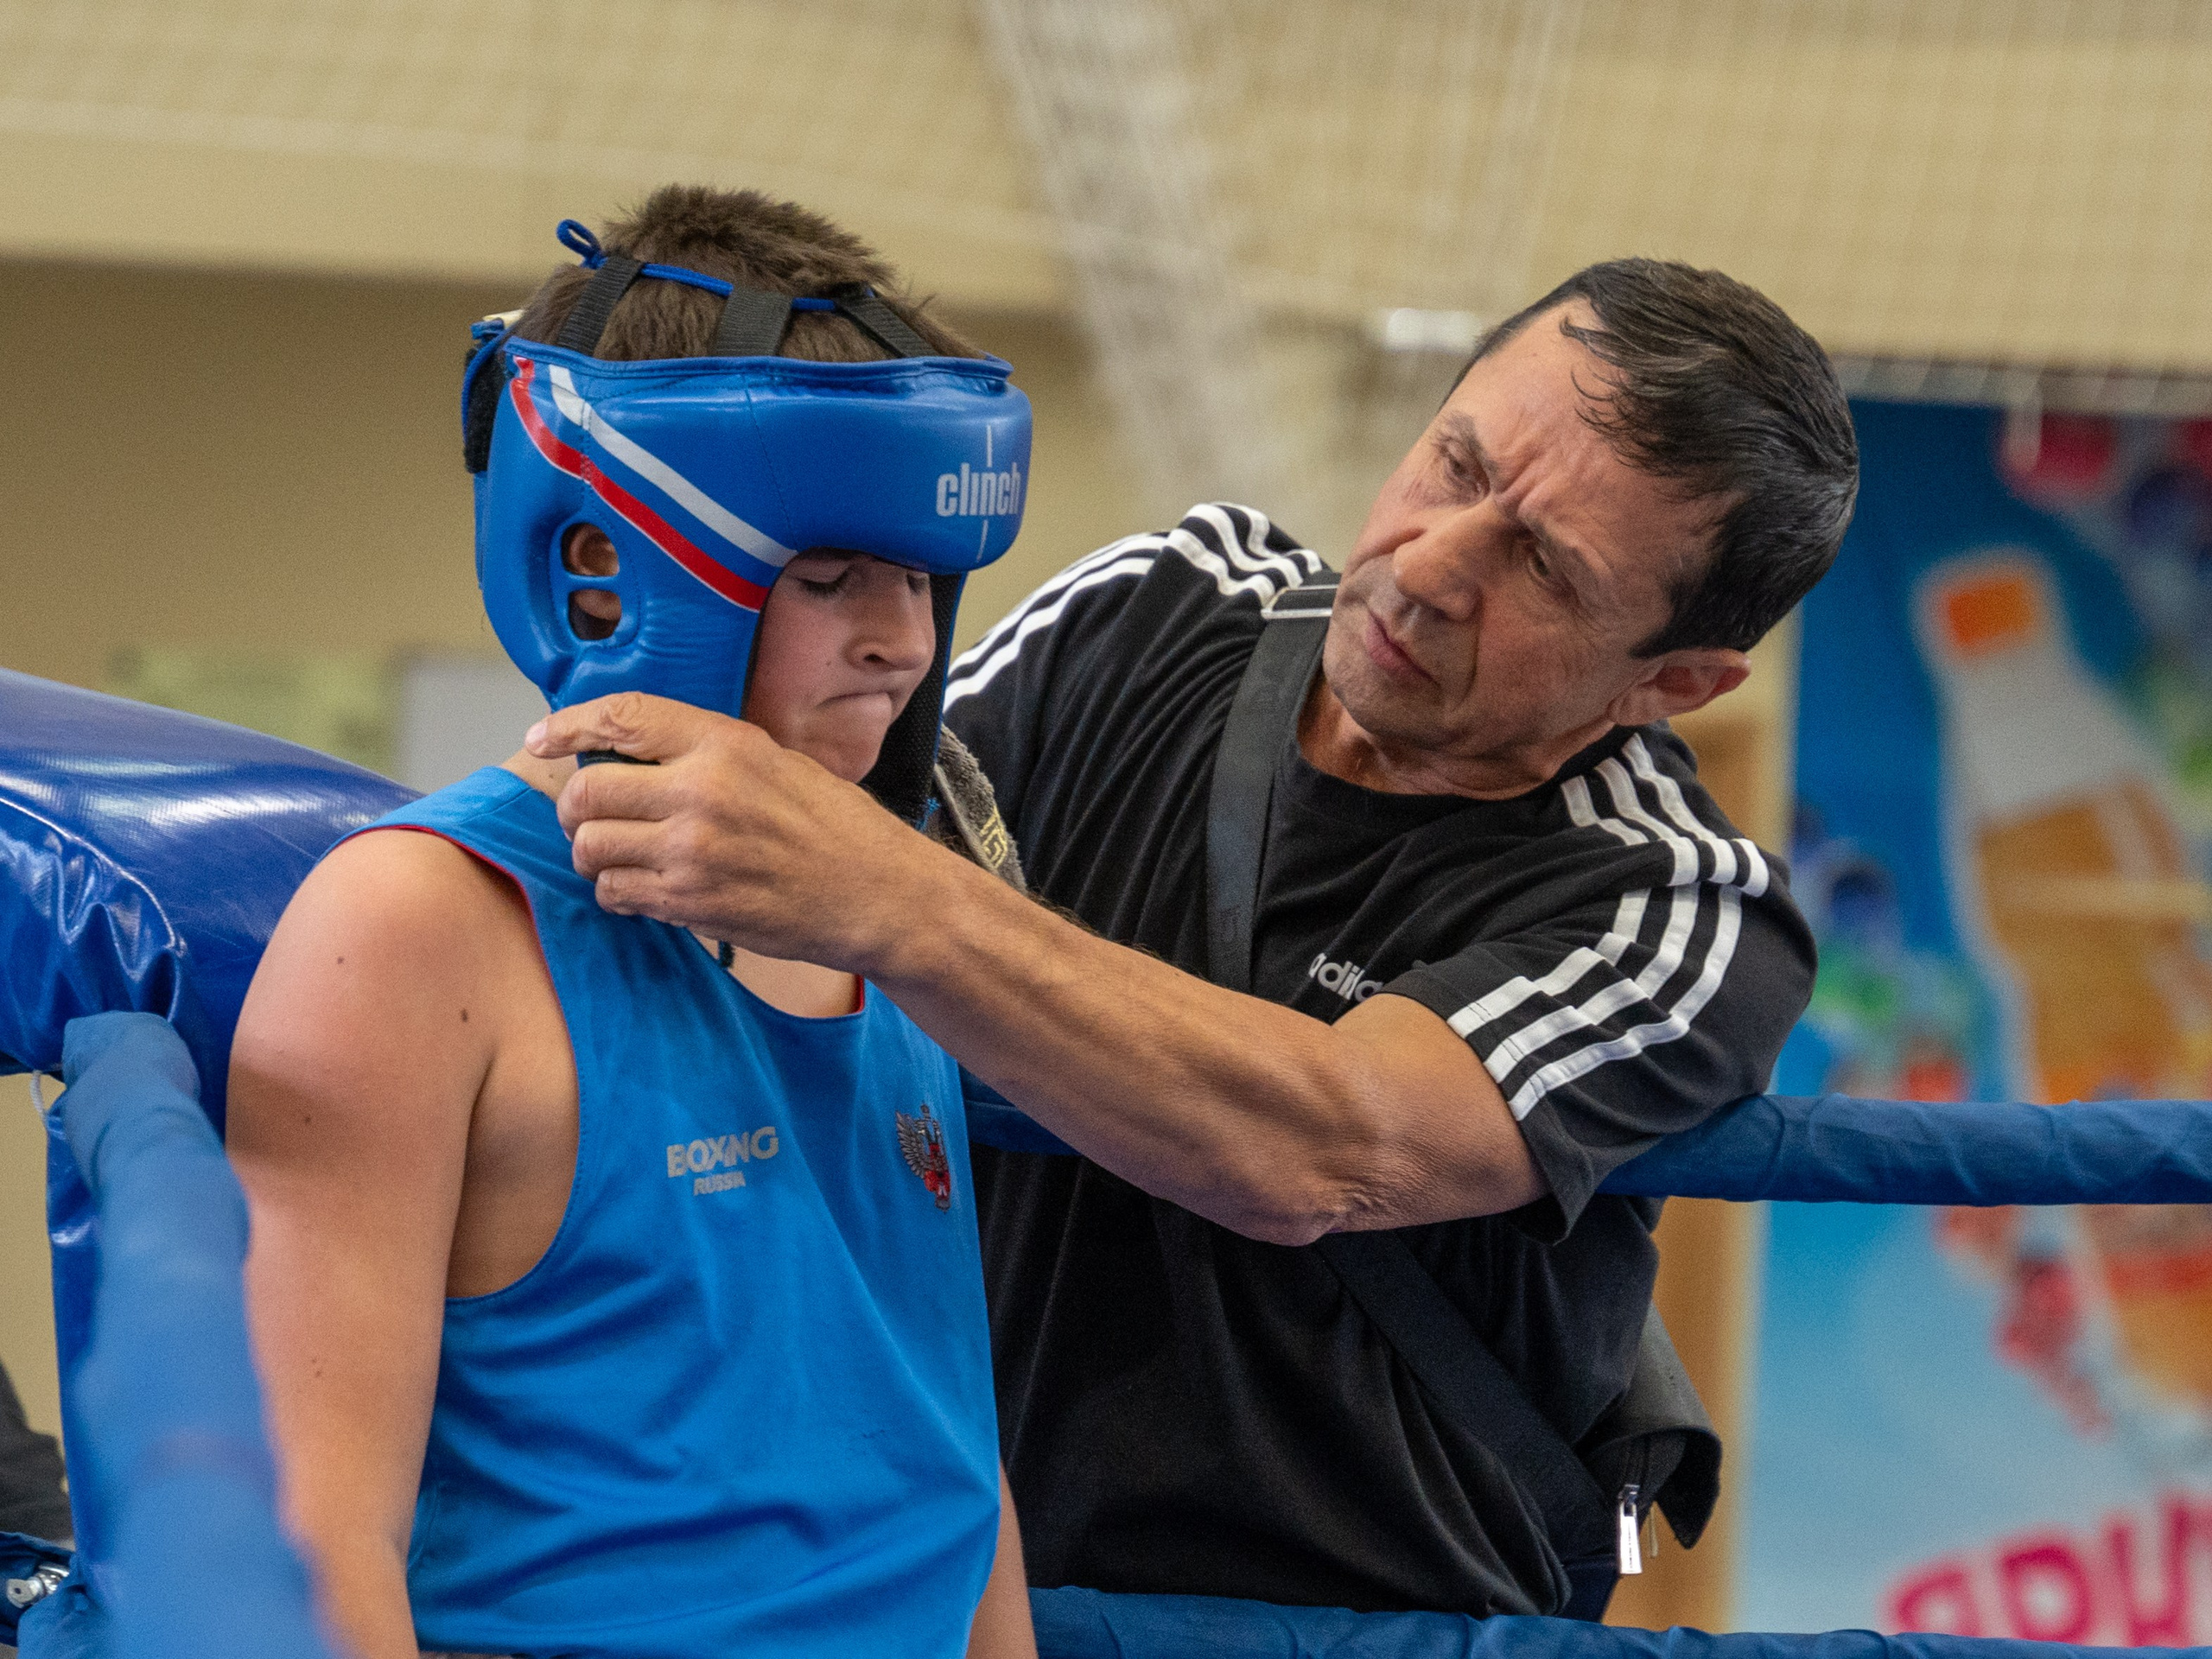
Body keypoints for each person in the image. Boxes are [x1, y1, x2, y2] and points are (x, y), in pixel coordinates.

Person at [521, 258, 1859, 1618]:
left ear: (1672, 681)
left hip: (1350, 1635)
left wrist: (888, 896)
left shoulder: (1683, 905)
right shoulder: (1164, 604)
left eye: (1545, 567)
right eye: (1457, 466)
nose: (1437, 566)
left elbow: (1330, 1145)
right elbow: (794, 871)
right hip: (944, 1591)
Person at [226, 187, 1037, 1659]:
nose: (905, 641)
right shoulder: (420, 930)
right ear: (606, 569)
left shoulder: (894, 912)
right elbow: (309, 1549)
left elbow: (944, 1461)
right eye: (830, 574)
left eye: (920, 576)